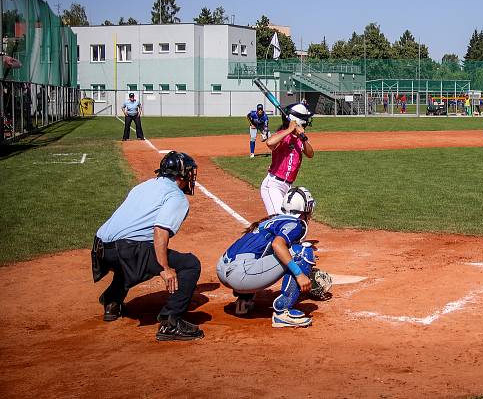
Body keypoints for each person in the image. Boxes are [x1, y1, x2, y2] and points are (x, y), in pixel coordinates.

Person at [91, 151, 203, 341]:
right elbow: (160, 231)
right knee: (190, 264)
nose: (190, 177)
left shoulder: (143, 186)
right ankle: (171, 322)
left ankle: (112, 301)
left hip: (100, 248)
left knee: (131, 256)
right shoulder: (176, 196)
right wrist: (164, 268)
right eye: (189, 173)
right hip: (126, 250)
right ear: (180, 175)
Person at [217, 187, 318, 327]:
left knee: (264, 253)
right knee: (302, 252)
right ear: (305, 208)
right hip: (240, 276)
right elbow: (278, 245)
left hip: (223, 269)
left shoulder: (273, 219)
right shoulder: (297, 224)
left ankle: (243, 301)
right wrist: (300, 274)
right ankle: (283, 312)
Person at [261, 103, 315, 216]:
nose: (307, 122)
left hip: (287, 186)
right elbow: (269, 143)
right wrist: (289, 129)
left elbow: (310, 154)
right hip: (273, 185)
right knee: (280, 220)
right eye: (304, 119)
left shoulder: (300, 138)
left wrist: (303, 138)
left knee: (289, 220)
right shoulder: (283, 135)